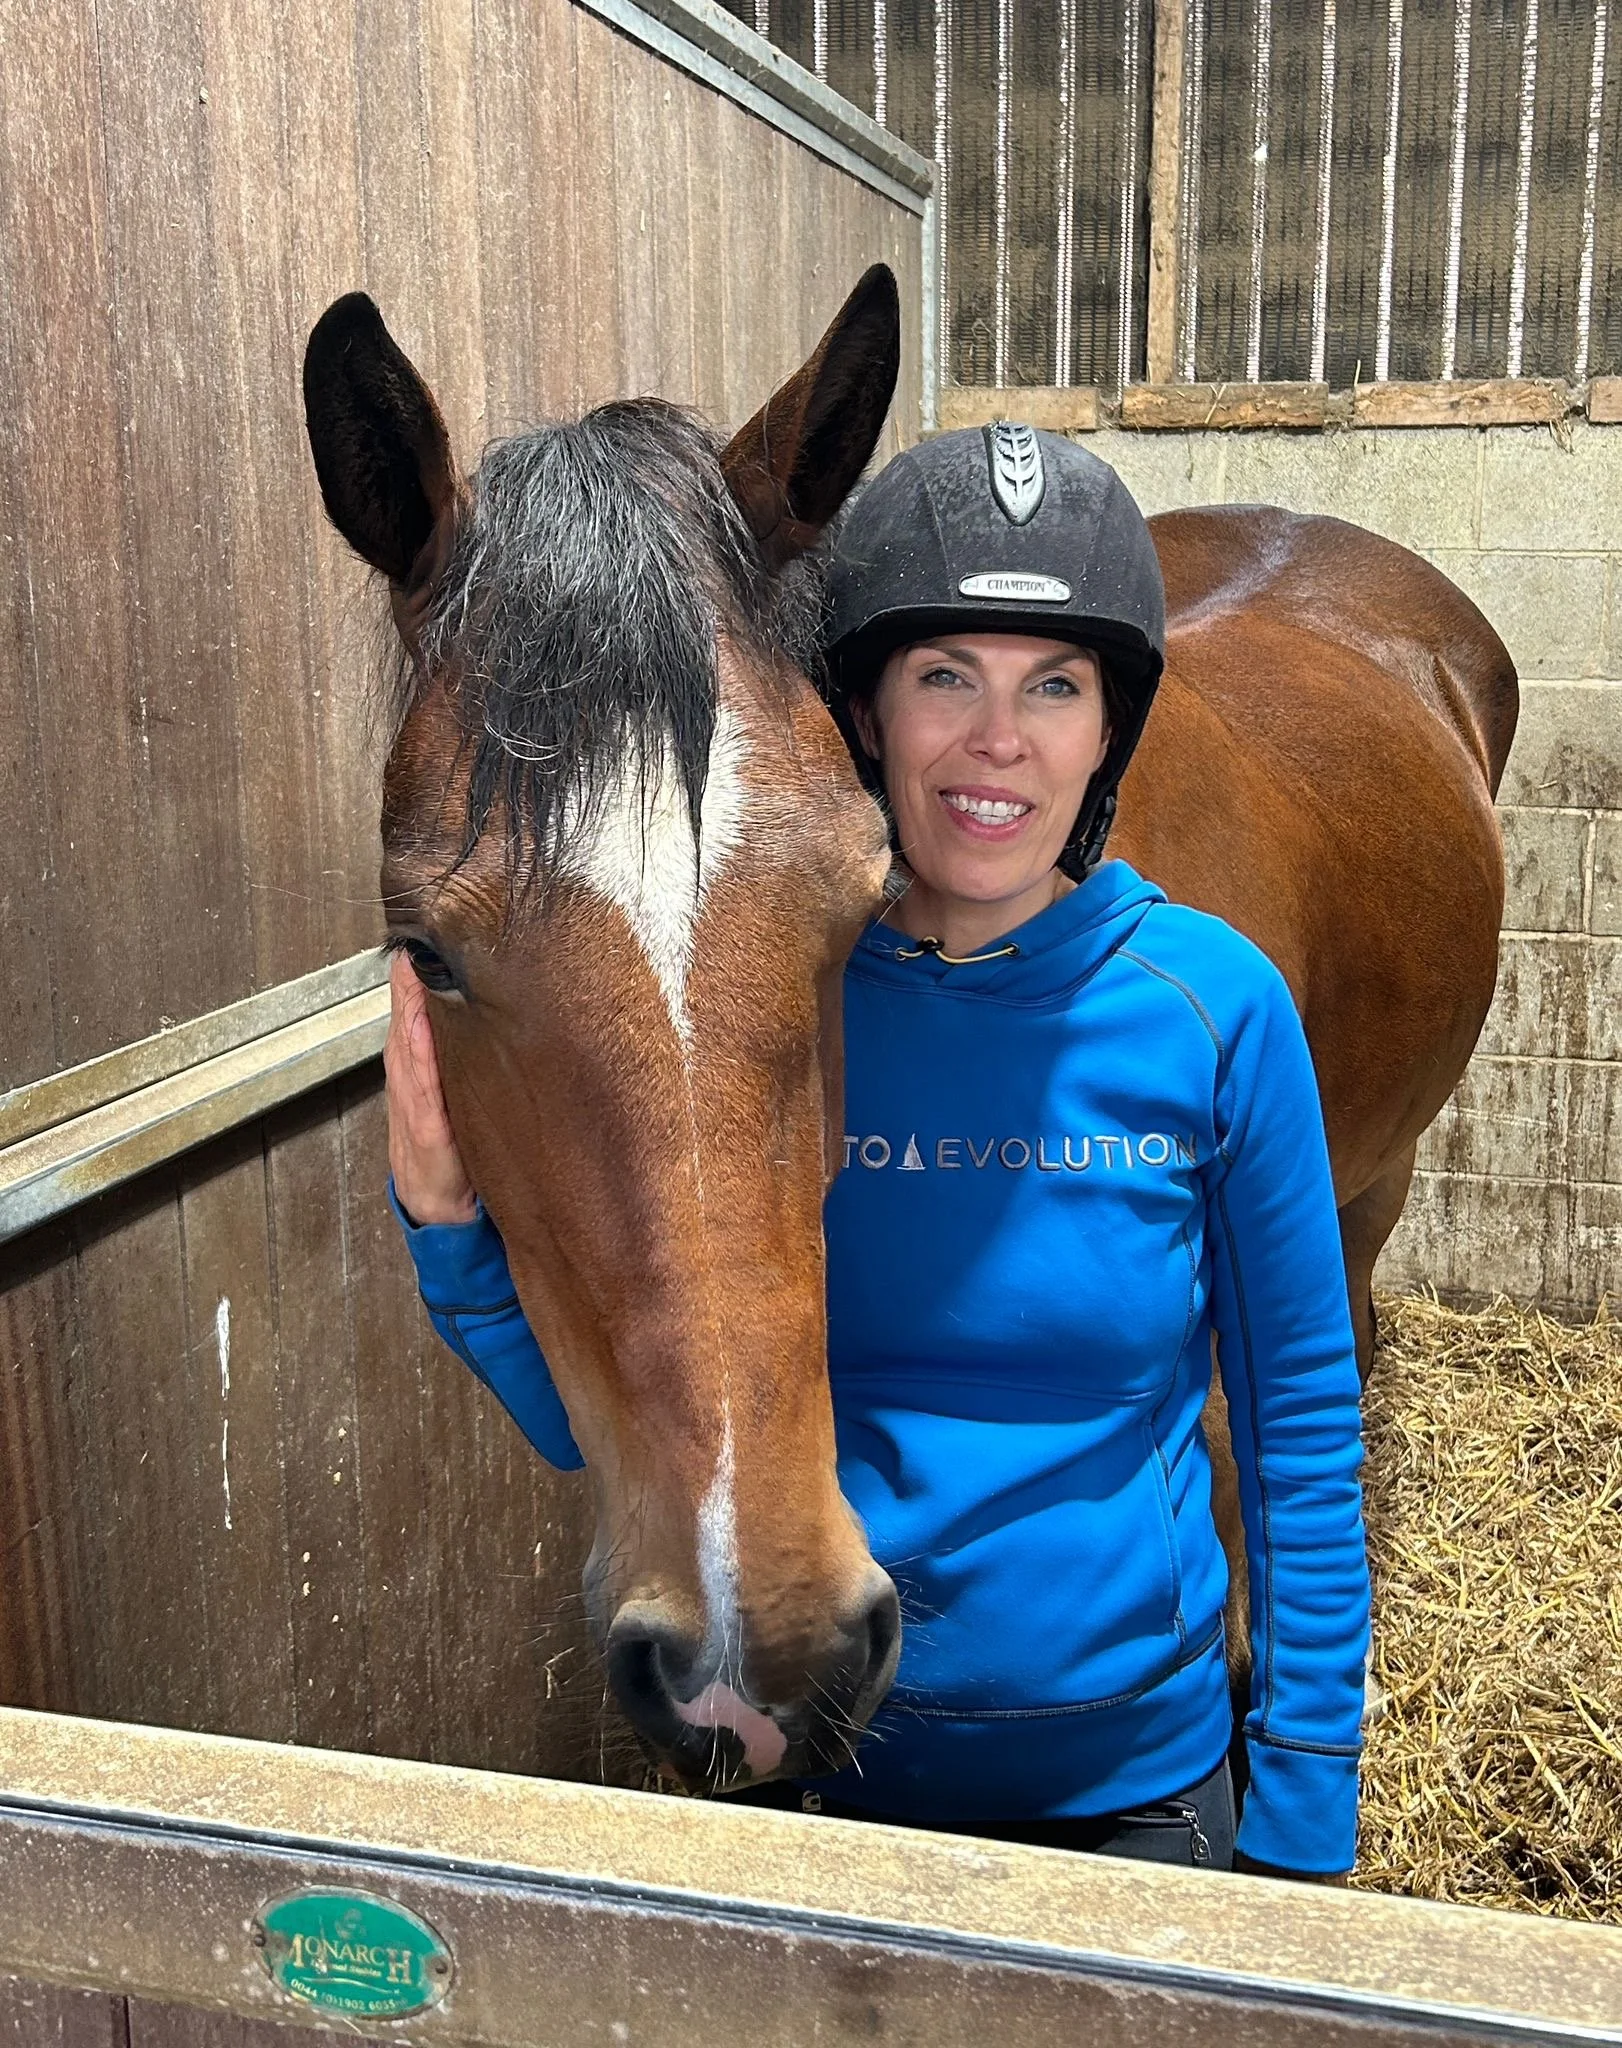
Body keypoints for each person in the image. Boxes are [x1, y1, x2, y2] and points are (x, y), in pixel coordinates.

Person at [385, 424, 1370, 1879]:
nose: (997, 741)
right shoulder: (784, 1018)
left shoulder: (1211, 1008)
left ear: (1110, 728)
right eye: (943, 678)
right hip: (830, 1778)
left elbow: (1300, 1422)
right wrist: (452, 1239)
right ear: (865, 711)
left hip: (1140, 1798)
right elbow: (653, 1426)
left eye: (1056, 686)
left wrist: (1303, 1813)